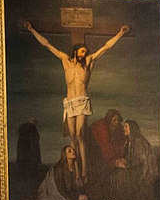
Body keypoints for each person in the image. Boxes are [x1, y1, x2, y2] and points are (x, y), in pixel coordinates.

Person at [23, 23, 130, 185]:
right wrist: (32, 30)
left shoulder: (88, 62)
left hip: (82, 101)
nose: (84, 53)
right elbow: (47, 44)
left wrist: (120, 34)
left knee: (80, 135)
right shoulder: (65, 60)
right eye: (81, 51)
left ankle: (85, 171)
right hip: (70, 103)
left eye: (85, 52)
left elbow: (106, 47)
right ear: (76, 51)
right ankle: (77, 172)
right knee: (73, 137)